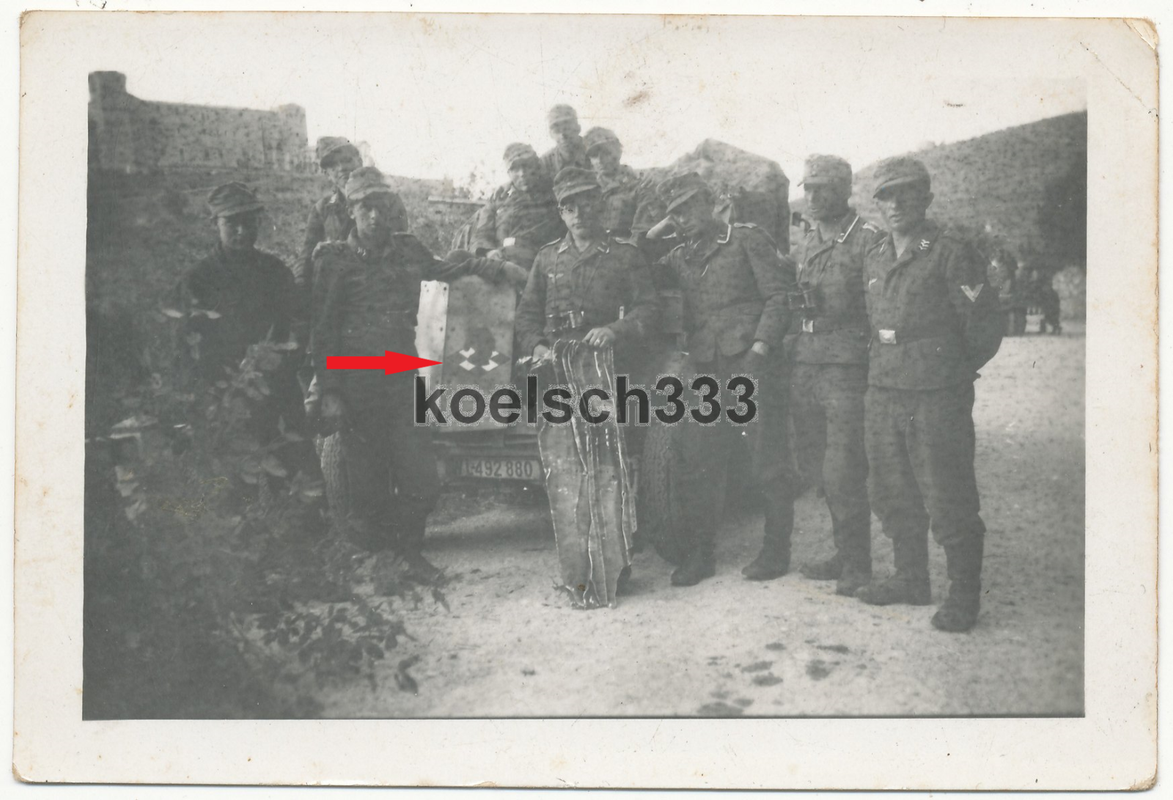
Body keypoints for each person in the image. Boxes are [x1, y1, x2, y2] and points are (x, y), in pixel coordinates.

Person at [312, 167, 527, 584]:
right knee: (368, 488)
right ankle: (384, 561)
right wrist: (331, 391)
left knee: (422, 480)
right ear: (352, 211)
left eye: (381, 206)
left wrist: (496, 268)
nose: (375, 216)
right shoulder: (333, 261)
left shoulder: (408, 250)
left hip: (401, 380)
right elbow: (322, 332)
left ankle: (409, 554)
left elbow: (446, 269)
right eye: (365, 207)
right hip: (357, 386)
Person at [857, 157, 1003, 632]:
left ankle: (963, 595)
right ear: (877, 204)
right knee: (891, 488)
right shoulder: (876, 254)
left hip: (935, 393)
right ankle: (910, 577)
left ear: (927, 198)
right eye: (885, 195)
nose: (895, 204)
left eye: (906, 193)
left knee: (947, 491)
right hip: (884, 388)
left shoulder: (950, 252)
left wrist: (948, 373)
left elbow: (984, 327)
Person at [514, 167, 660, 608]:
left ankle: (614, 570)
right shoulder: (547, 258)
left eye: (586, 204)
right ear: (561, 212)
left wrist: (615, 329)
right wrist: (537, 345)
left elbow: (648, 309)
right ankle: (578, 575)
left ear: (601, 206)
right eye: (569, 207)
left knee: (606, 470)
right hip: (556, 372)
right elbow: (526, 316)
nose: (578, 214)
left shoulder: (624, 255)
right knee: (565, 472)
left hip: (602, 370)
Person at [653, 172, 799, 587]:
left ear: (710, 201)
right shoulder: (680, 255)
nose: (683, 218)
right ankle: (701, 554)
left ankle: (776, 551)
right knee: (698, 461)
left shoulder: (746, 239)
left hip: (750, 363)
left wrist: (761, 348)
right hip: (705, 368)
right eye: (675, 213)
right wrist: (660, 229)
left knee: (767, 460)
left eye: (688, 207)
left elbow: (779, 296)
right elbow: (642, 262)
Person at [785, 155, 883, 597]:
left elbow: (880, 307)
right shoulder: (807, 242)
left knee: (843, 468)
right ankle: (844, 552)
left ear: (845, 190)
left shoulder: (868, 241)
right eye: (808, 188)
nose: (813, 197)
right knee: (816, 466)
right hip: (807, 363)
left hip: (846, 366)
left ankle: (859, 564)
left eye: (822, 188)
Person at [473, 143, 565, 270]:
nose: (522, 173)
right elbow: (482, 232)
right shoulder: (499, 198)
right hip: (498, 260)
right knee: (456, 257)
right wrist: (489, 252)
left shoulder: (552, 195)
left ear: (536, 167)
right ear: (508, 173)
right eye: (515, 169)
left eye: (527, 166)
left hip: (533, 263)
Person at [581, 126, 654, 240]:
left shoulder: (639, 185)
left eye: (606, 153)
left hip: (626, 247)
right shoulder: (586, 188)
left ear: (618, 152)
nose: (600, 160)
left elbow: (641, 231)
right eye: (594, 155)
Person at [540, 104, 592, 181]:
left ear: (578, 128)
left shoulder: (594, 151)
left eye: (567, 129)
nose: (563, 135)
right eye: (557, 131)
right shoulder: (546, 162)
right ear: (551, 135)